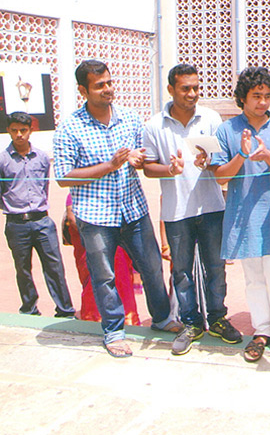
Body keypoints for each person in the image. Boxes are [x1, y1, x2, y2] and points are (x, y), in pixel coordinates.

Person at [53, 60, 179, 358]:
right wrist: (109, 165)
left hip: (133, 211)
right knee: (104, 276)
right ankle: (114, 332)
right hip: (96, 217)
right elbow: (63, 176)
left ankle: (162, 319)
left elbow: (143, 160)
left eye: (109, 82)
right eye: (100, 86)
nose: (108, 89)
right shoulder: (70, 127)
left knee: (151, 268)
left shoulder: (130, 119)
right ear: (83, 90)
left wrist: (139, 160)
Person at [143, 64, 241, 355]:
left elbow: (220, 161)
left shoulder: (210, 118)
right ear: (171, 90)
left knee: (216, 269)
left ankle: (218, 318)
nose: (192, 93)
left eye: (196, 87)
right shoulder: (154, 126)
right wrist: (169, 169)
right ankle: (191, 323)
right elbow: (148, 167)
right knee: (182, 271)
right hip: (176, 212)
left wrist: (208, 162)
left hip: (211, 208)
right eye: (185, 88)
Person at [210, 66, 270, 362]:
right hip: (243, 216)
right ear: (242, 98)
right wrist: (243, 154)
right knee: (254, 278)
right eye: (256, 96)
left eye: (267, 96)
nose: (263, 102)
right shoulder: (227, 130)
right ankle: (262, 330)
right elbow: (221, 176)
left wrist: (267, 156)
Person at [0, 111, 76, 318]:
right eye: (14, 130)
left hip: (42, 221)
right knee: (23, 268)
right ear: (8, 131)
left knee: (54, 266)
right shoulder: (2, 159)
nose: (19, 135)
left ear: (30, 130)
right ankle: (29, 309)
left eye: (23, 130)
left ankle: (65, 309)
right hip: (17, 223)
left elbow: (44, 186)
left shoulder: (42, 157)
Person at [64, 194, 141, 324]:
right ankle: (93, 318)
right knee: (94, 280)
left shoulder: (115, 190)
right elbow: (72, 220)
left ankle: (127, 318)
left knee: (121, 279)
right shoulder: (77, 192)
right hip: (91, 244)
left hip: (117, 245)